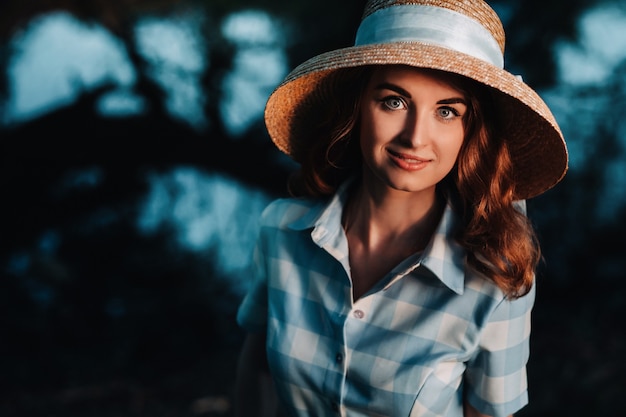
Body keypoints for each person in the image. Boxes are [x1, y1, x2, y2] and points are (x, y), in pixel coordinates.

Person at [234, 0, 568, 416]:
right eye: (394, 101)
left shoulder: (496, 279)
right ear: (356, 107)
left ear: (471, 131)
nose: (415, 138)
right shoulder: (281, 231)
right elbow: (257, 373)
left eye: (447, 111)